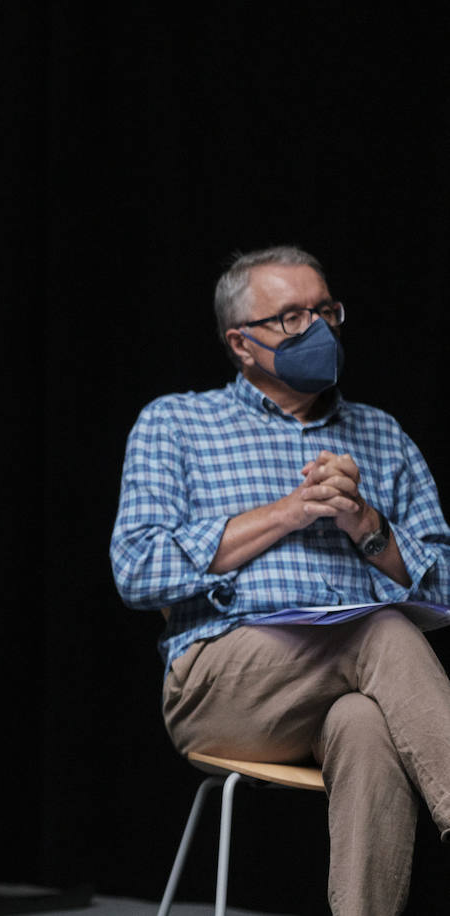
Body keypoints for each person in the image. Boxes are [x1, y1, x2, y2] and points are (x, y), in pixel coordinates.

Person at [110, 245, 450, 914]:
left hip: (350, 686)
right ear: (241, 343)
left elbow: (444, 588)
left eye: (325, 310)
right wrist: (287, 513)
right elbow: (137, 569)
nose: (316, 329)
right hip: (223, 685)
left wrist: (367, 525)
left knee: (365, 724)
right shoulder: (177, 423)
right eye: (291, 317)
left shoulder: (382, 436)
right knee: (378, 629)